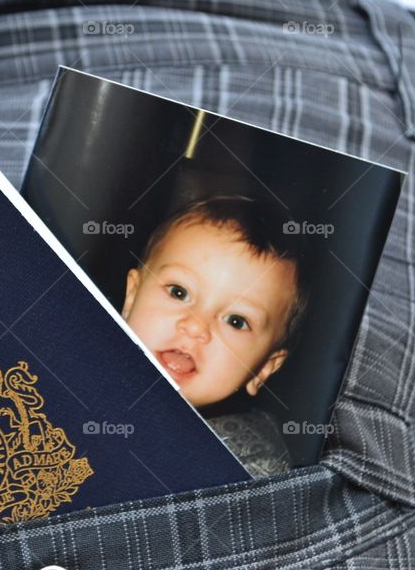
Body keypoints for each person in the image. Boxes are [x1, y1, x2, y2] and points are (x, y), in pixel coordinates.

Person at [120, 193, 311, 475]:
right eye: (178, 292)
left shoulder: (249, 470)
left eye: (235, 320)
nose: (196, 326)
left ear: (263, 369)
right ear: (131, 297)